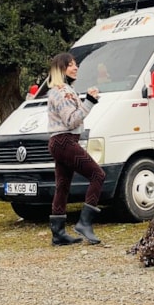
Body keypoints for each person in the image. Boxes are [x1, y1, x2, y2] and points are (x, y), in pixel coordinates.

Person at [46, 52, 106, 246]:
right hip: (65, 141)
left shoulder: (60, 90)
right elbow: (71, 120)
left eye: (75, 64)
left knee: (62, 186)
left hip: (60, 142)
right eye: (71, 65)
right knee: (98, 175)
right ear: (62, 69)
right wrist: (89, 101)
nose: (76, 67)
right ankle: (84, 223)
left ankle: (58, 233)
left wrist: (87, 101)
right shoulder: (62, 92)